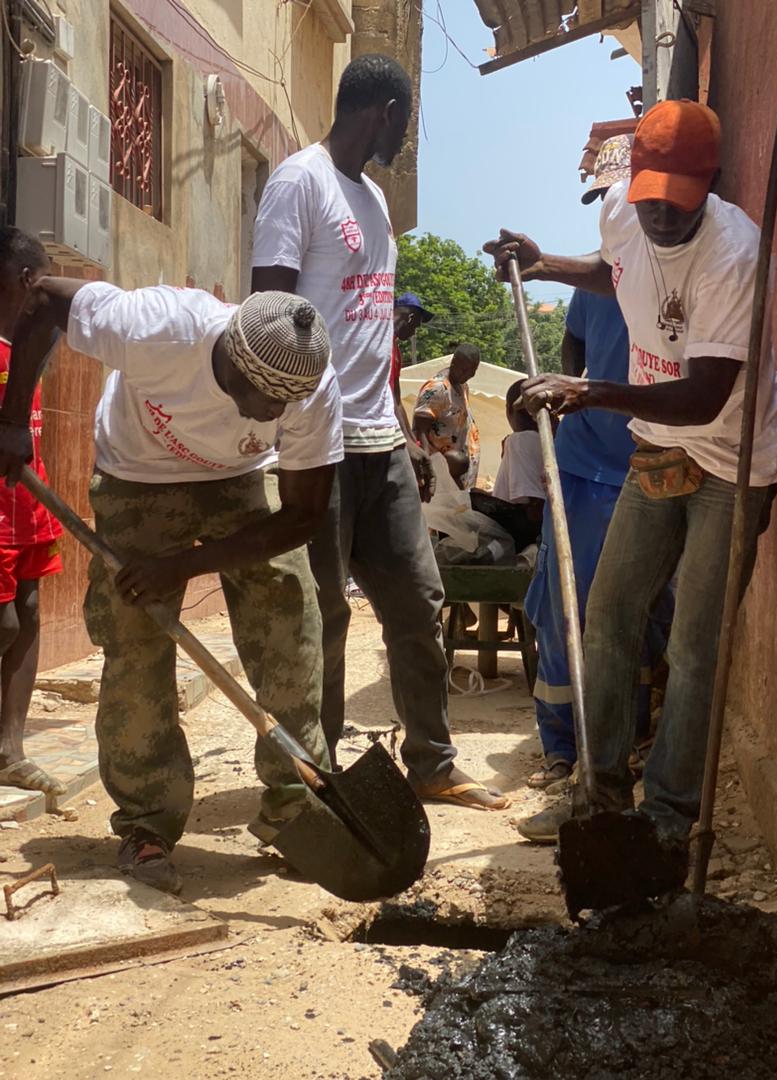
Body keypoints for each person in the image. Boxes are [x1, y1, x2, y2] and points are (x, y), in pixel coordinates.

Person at [485, 100, 777, 872]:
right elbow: (616, 274)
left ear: (709, 183)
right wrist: (545, 260)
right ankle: (600, 797)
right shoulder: (624, 211)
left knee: (694, 645)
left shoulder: (735, 254)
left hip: (732, 457)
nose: (657, 214)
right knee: (610, 613)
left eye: (674, 201)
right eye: (648, 195)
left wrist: (593, 391)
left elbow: (704, 398)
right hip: (659, 445)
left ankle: (666, 818)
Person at [0, 266, 343, 894]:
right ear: (231, 363)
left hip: (242, 482)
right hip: (137, 475)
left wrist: (182, 565)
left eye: (285, 403)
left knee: (290, 625)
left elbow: (302, 515)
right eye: (264, 400)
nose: (275, 413)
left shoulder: (308, 386)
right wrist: (13, 419)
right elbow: (45, 296)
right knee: (136, 645)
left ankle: (300, 806)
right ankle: (146, 823)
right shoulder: (157, 327)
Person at [252, 54, 508, 811]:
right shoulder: (299, 182)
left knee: (418, 602)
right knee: (322, 618)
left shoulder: (372, 203)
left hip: (380, 442)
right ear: (388, 112)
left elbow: (372, 339)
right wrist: (301, 421)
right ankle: (319, 783)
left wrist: (397, 429)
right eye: (408, 121)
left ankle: (431, 761)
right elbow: (269, 313)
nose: (406, 134)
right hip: (316, 445)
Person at [511, 136, 672, 842]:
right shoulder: (595, 279)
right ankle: (561, 750)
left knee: (631, 614)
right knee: (560, 602)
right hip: (580, 464)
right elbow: (575, 351)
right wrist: (564, 395)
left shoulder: (670, 275)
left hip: (642, 464)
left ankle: (625, 742)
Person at [0, 228, 64, 798]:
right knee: (5, 624)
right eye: (43, 282)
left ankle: (10, 751)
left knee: (31, 613)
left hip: (27, 507)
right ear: (25, 281)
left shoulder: (28, 345)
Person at [469, 379, 546, 553]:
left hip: (523, 537)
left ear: (509, 409)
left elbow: (534, 510)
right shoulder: (546, 440)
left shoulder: (521, 440)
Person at [413, 343, 481, 490]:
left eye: (473, 371)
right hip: (440, 471)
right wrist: (427, 466)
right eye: (464, 369)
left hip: (457, 471)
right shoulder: (437, 388)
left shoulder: (462, 386)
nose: (468, 374)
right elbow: (420, 430)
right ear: (453, 362)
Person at [391, 292, 435, 497]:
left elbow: (397, 399)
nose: (415, 331)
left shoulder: (395, 349)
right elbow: (386, 396)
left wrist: (412, 442)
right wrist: (404, 440)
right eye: (416, 325)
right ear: (410, 317)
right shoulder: (381, 342)